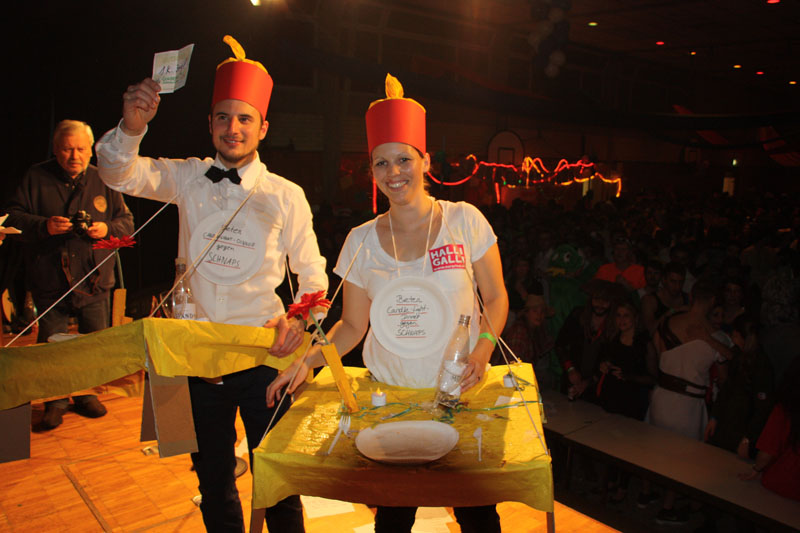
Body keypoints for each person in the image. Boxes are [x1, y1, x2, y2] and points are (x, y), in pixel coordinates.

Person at [95, 36, 327, 532]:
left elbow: (313, 276)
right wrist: (132, 128)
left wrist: (299, 321)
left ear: (263, 127)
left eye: (244, 118)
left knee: (279, 482)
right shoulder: (187, 178)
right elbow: (118, 174)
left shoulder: (286, 194)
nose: (233, 128)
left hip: (263, 355)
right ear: (209, 124)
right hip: (197, 359)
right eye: (223, 117)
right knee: (213, 481)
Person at [266, 74, 508, 533]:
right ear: (372, 171)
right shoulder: (361, 240)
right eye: (382, 162)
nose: (394, 172)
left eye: (403, 159)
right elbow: (352, 326)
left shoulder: (464, 221)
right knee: (393, 518)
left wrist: (482, 350)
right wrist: (305, 362)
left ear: (425, 161)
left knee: (477, 515)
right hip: (391, 398)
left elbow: (495, 297)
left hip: (457, 392)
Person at [4, 120, 134, 430]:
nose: (74, 156)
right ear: (55, 149)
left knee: (93, 344)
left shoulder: (104, 178)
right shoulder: (36, 177)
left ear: (91, 150)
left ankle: (86, 395)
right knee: (53, 346)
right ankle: (56, 401)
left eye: (80, 149)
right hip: (50, 278)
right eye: (66, 149)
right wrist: (44, 226)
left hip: (94, 279)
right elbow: (12, 219)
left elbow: (127, 224)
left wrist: (106, 229)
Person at [645, 281, 734, 525]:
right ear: (713, 301)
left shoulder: (668, 322)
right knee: (681, 457)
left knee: (653, 447)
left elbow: (656, 348)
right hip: (688, 405)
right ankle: (667, 508)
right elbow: (725, 375)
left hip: (661, 395)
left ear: (692, 296)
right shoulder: (717, 337)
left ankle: (646, 493)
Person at [495, 293, 556, 390]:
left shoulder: (536, 331)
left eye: (542, 312)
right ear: (526, 313)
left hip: (520, 378)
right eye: (535, 311)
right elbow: (510, 365)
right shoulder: (519, 331)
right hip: (509, 381)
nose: (539, 315)